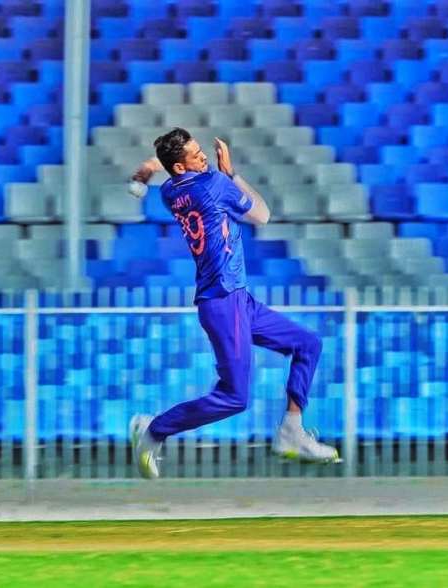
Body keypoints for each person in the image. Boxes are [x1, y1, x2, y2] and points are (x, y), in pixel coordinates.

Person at [127, 127, 340, 479]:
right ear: (180, 166)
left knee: (308, 345)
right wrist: (232, 174)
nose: (204, 158)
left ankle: (292, 431)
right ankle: (153, 429)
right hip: (224, 301)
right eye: (196, 156)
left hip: (236, 299)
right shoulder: (213, 184)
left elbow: (170, 169)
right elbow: (262, 214)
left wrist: (149, 168)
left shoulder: (170, 191)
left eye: (201, 151)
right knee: (234, 397)